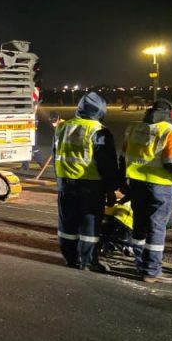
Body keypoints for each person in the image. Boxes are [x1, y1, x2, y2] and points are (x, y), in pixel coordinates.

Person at [122, 99, 172, 283]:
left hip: (136, 184)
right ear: (171, 114)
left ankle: (140, 264)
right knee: (156, 228)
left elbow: (124, 155)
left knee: (139, 225)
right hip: (159, 186)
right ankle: (152, 271)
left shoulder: (135, 128)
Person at [52, 92, 121, 271]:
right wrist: (112, 188)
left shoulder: (62, 127)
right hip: (90, 186)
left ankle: (70, 258)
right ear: (100, 111)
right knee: (89, 226)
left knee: (67, 224)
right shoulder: (99, 131)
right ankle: (88, 261)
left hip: (65, 184)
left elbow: (55, 155)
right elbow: (107, 165)